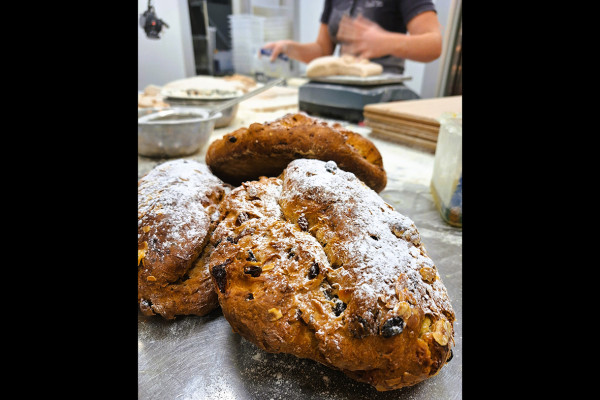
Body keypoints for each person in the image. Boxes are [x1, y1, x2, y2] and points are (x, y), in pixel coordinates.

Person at [261, 0, 443, 75]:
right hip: (340, 87)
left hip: (382, 96)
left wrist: (384, 42)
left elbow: (433, 44)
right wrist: (289, 47)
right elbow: (323, 51)